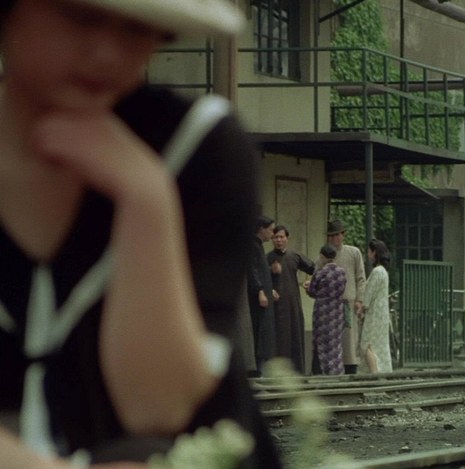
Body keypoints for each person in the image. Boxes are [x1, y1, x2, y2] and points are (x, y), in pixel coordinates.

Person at [0, 0, 281, 467]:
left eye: (137, 29)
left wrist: (146, 197)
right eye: (81, 17)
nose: (107, 54)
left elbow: (158, 407)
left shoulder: (199, 144)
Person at [318, 219, 366, 375]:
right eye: (331, 236)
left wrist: (359, 299)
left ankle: (351, 369)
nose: (334, 239)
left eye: (336, 235)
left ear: (343, 235)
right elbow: (317, 276)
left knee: (349, 341)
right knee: (332, 340)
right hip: (330, 304)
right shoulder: (324, 255)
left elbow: (361, 277)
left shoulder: (354, 252)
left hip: (348, 302)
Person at [267, 225, 315, 374]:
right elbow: (260, 278)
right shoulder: (268, 258)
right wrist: (269, 284)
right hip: (276, 307)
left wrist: (311, 282)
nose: (279, 240)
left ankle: (297, 372)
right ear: (272, 239)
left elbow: (314, 268)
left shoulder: (295, 256)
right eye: (276, 237)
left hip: (293, 304)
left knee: (295, 336)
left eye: (281, 237)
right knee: (279, 338)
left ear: (287, 238)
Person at [305, 244, 347, 375]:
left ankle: (322, 371)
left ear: (322, 256)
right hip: (337, 312)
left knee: (321, 343)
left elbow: (312, 291)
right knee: (335, 343)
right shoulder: (342, 272)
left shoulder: (320, 273)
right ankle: (337, 371)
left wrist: (307, 288)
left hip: (322, 313)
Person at [248, 215, 279, 370]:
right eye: (270, 230)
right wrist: (260, 291)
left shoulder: (258, 246)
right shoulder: (253, 246)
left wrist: (269, 289)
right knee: (259, 330)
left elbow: (261, 270)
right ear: (262, 229)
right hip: (257, 296)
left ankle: (262, 365)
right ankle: (257, 366)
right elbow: (253, 271)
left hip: (264, 292)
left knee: (265, 330)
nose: (272, 234)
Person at [359, 239, 394, 374]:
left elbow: (369, 294)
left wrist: (362, 308)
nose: (368, 254)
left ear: (375, 252)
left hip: (374, 314)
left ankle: (374, 374)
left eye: (369, 251)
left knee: (367, 344)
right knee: (379, 346)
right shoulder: (384, 271)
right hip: (382, 314)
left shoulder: (377, 271)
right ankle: (380, 373)